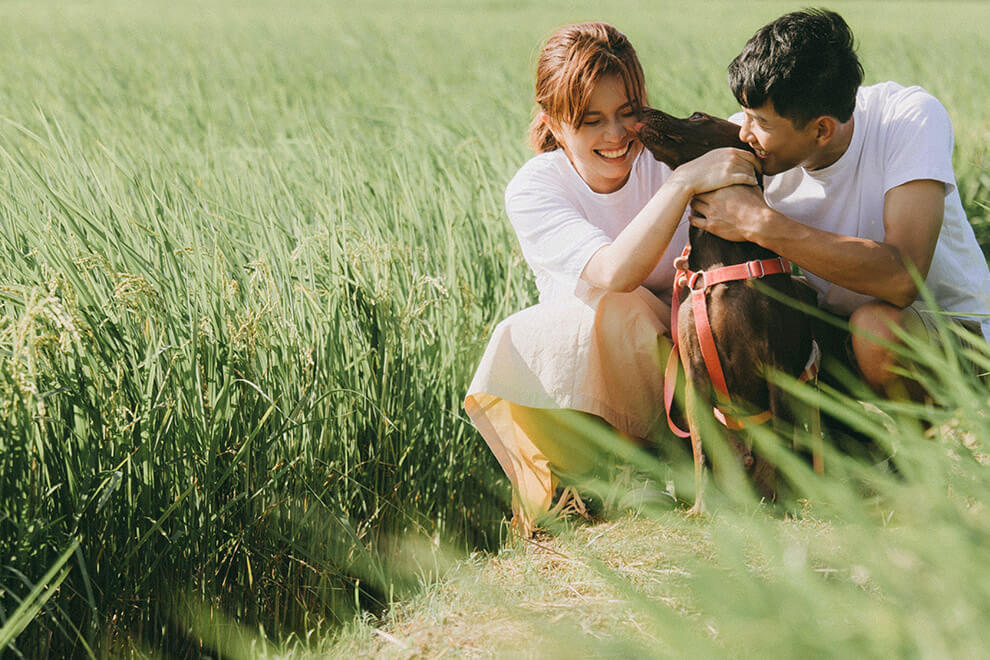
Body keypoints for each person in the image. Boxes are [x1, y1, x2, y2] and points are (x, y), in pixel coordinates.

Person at [463, 22, 757, 536]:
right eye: (591, 120)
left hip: (689, 372)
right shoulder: (537, 188)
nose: (616, 136)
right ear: (554, 121)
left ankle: (684, 468)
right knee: (542, 328)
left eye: (628, 113)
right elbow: (614, 273)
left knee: (649, 311)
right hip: (596, 391)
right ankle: (618, 476)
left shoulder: (662, 159)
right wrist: (686, 181)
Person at [688, 8, 989, 396]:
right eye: (745, 115)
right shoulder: (756, 144)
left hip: (953, 335)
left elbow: (901, 279)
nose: (744, 133)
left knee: (876, 329)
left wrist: (759, 223)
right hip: (840, 328)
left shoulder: (907, 120)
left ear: (822, 130)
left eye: (759, 122)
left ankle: (916, 452)